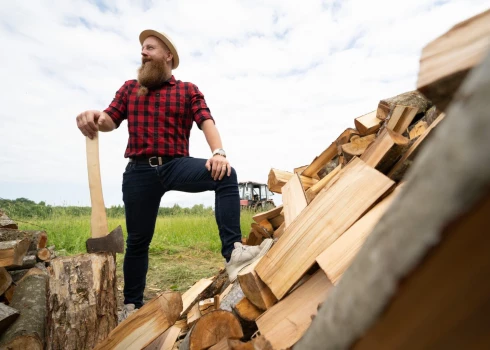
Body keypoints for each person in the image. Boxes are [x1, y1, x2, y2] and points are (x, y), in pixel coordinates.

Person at [76, 29, 273, 322]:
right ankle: (131, 306)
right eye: (142, 48)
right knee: (138, 241)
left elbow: (206, 121)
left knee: (226, 175)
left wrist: (218, 152)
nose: (143, 52)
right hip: (139, 171)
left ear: (168, 56)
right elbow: (109, 120)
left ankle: (234, 254)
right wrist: (94, 117)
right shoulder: (130, 88)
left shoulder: (187, 90)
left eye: (150, 48)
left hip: (174, 165)